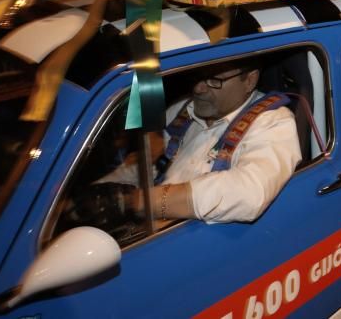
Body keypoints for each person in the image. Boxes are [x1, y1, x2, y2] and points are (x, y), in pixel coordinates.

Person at [97, 60, 302, 224]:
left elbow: (249, 194)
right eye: (197, 76)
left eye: (214, 79)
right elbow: (145, 165)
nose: (198, 88)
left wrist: (140, 201)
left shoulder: (274, 122)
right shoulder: (182, 110)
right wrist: (100, 194)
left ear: (249, 80)